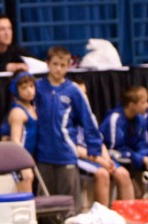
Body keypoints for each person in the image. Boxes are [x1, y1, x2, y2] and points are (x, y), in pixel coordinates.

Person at [34, 46, 103, 213]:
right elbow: (23, 111)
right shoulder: (37, 88)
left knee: (70, 201)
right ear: (47, 64)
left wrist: (94, 145)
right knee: (45, 198)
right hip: (43, 154)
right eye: (55, 64)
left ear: (68, 66)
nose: (58, 69)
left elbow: (88, 118)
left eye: (63, 65)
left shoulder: (73, 91)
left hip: (66, 153)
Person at [73, 81, 134, 205]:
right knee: (103, 174)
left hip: (97, 156)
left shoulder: (90, 116)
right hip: (81, 158)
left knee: (123, 174)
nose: (83, 97)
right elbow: (75, 149)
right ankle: (103, 217)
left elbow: (99, 141)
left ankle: (129, 217)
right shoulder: (68, 118)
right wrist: (101, 161)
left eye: (85, 93)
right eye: (80, 94)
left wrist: (106, 158)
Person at [100, 85, 148, 177]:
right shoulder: (115, 119)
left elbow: (142, 144)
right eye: (143, 102)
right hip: (113, 158)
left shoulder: (141, 119)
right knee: (124, 175)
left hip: (134, 157)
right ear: (132, 105)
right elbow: (116, 150)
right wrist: (143, 159)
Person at [0, 71, 37, 193]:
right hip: (19, 162)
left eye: (31, 86)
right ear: (16, 90)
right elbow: (15, 141)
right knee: (26, 199)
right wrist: (22, 165)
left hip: (29, 158)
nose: (29, 91)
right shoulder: (18, 112)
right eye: (24, 88)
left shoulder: (32, 108)